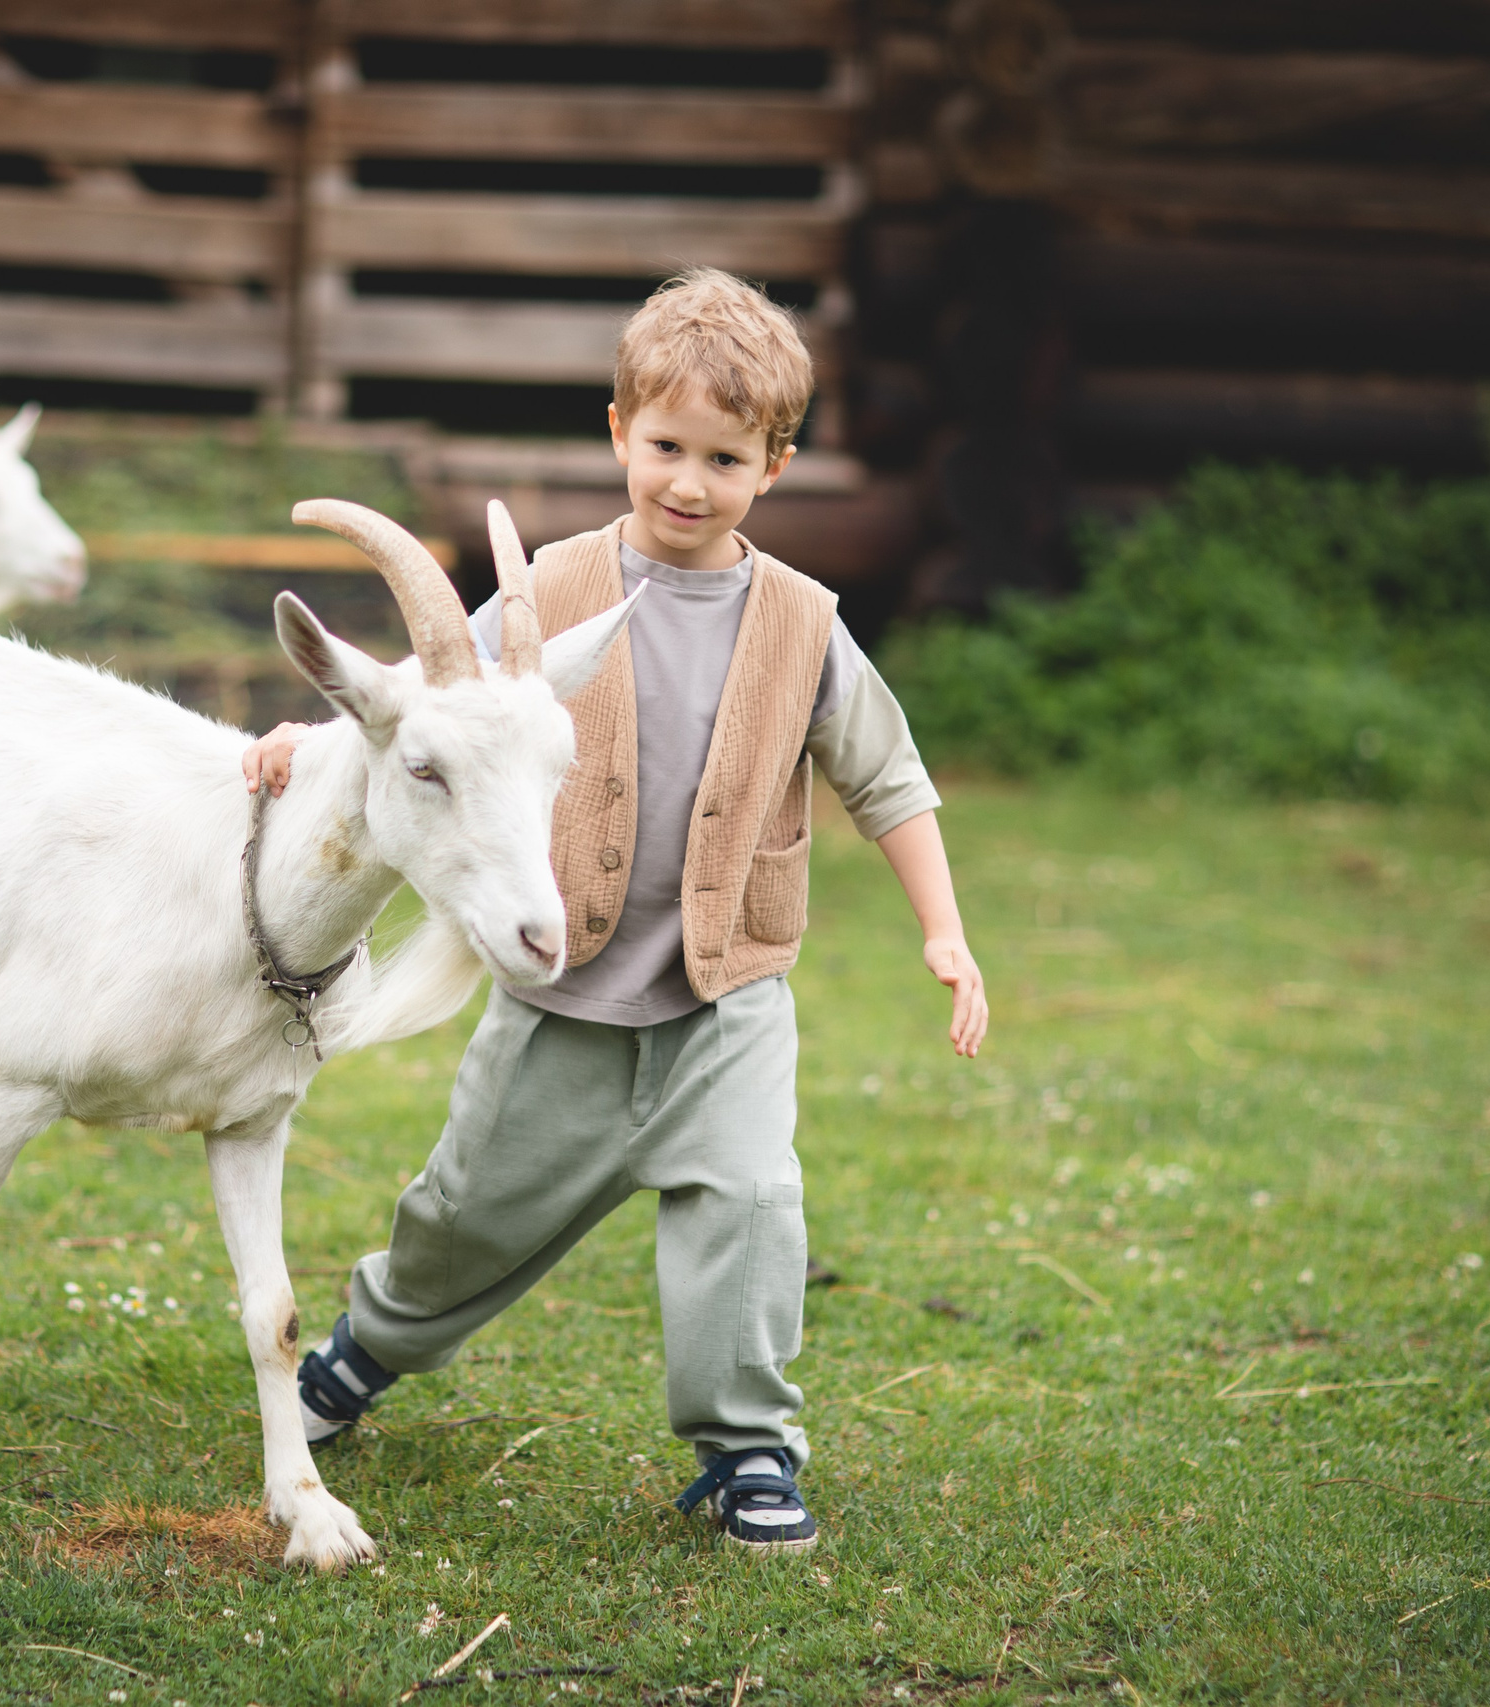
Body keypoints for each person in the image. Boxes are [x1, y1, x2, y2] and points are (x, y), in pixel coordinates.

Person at [240, 268, 989, 1554]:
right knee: (470, 1213)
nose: (688, 483)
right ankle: (368, 1347)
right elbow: (429, 701)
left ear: (775, 464)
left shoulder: (805, 626)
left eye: (725, 458)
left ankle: (748, 1446)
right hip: (562, 990)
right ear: (616, 434)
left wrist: (945, 927)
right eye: (664, 448)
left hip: (724, 995)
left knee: (750, 1205)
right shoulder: (552, 595)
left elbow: (888, 777)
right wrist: (308, 738)